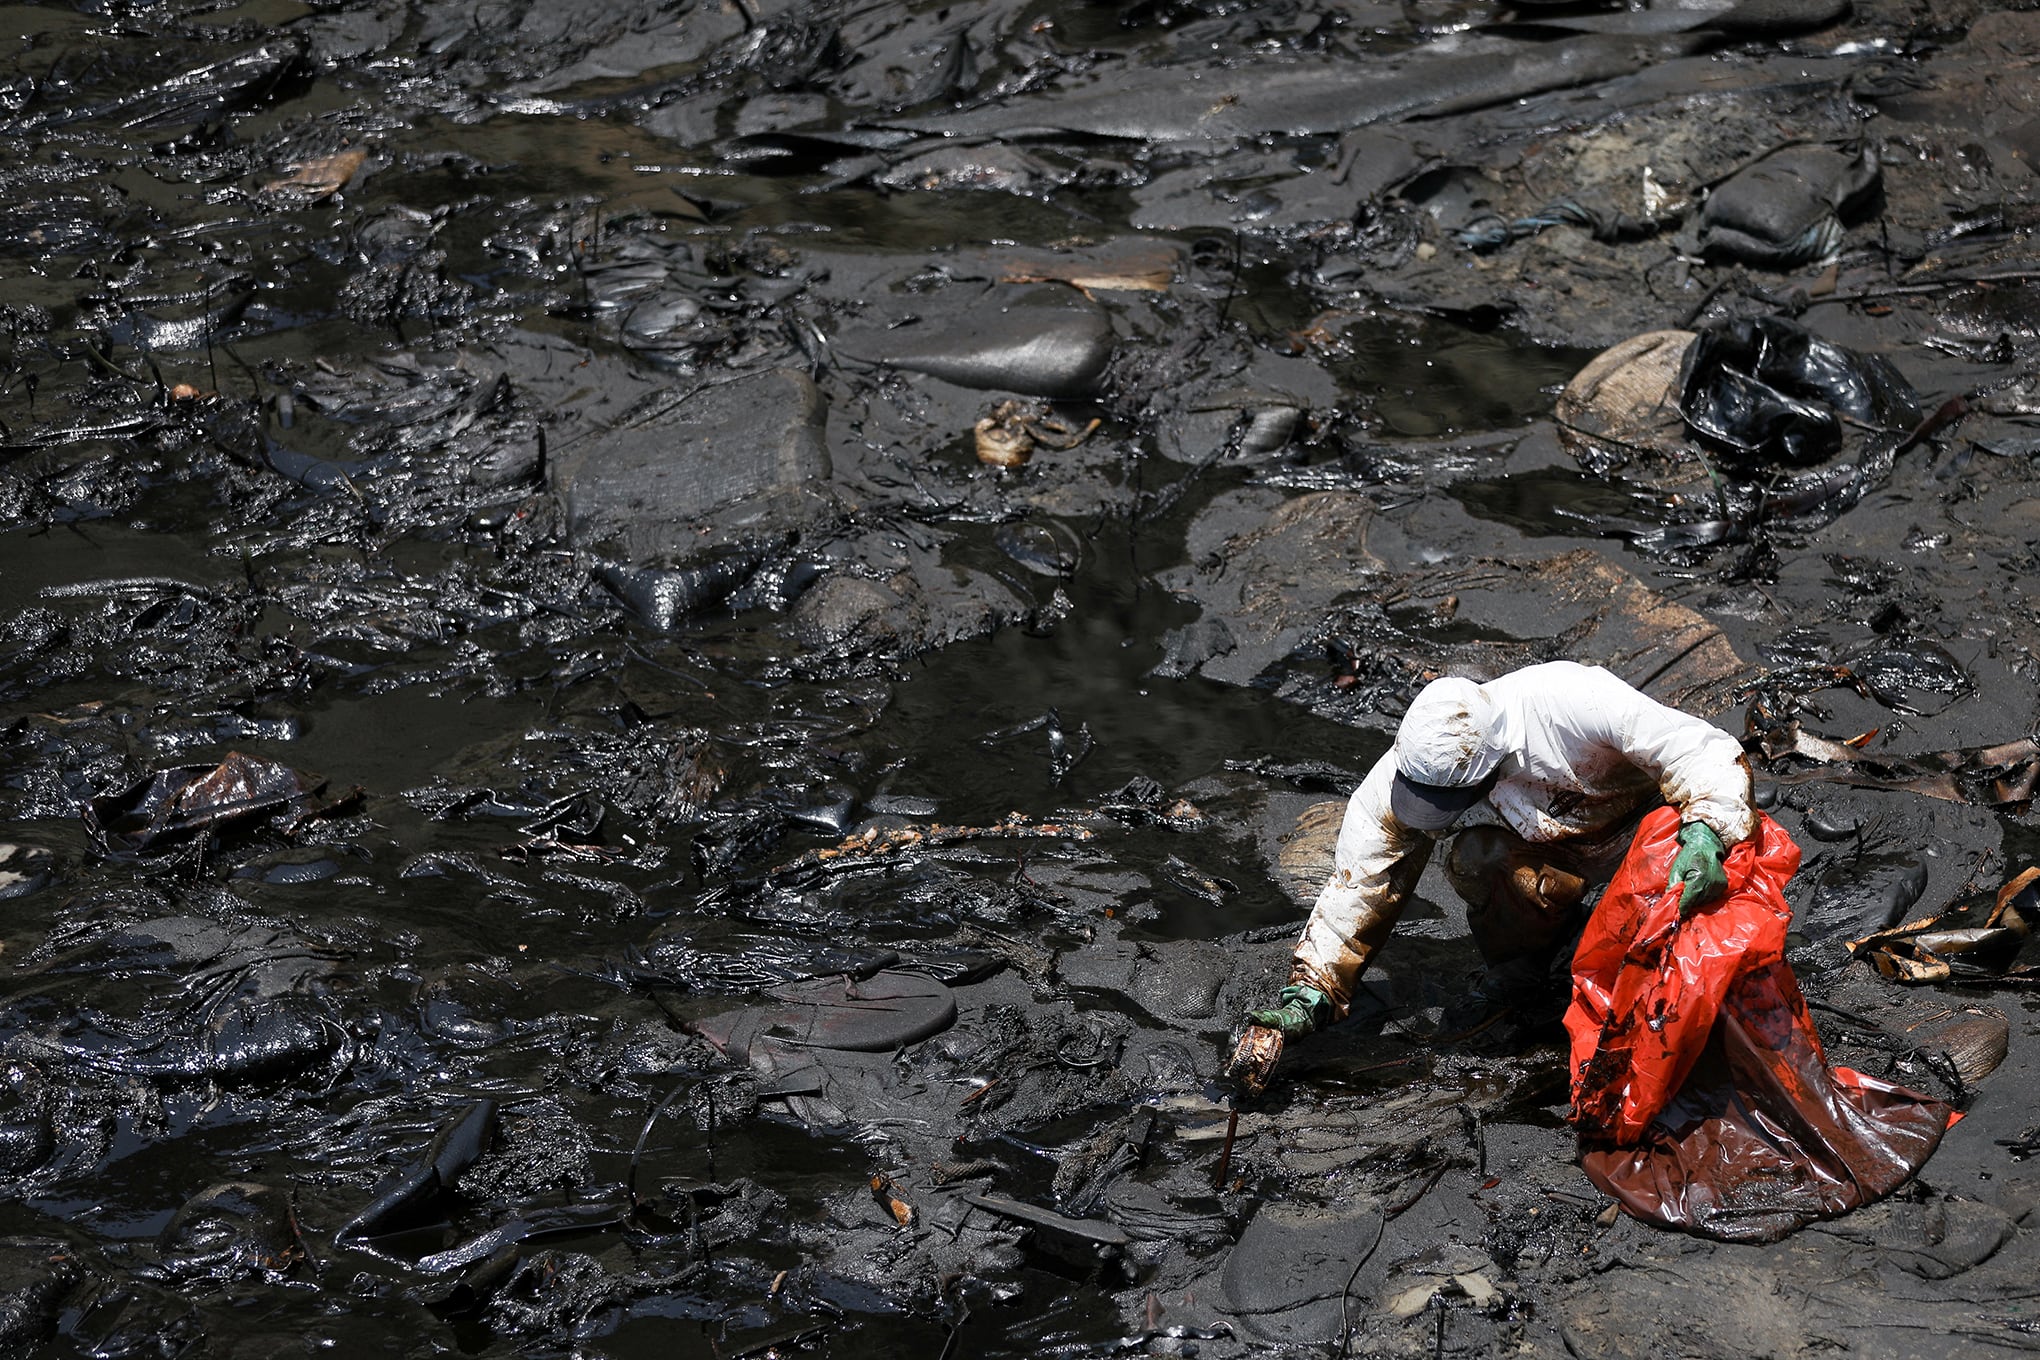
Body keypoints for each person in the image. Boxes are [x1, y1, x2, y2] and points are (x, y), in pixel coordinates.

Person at [1229, 660, 1755, 1086]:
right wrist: (1313, 989)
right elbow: (1361, 881)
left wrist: (1707, 829)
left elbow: (1699, 748)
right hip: (1557, 854)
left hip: (1647, 840)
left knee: (1665, 965)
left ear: (1490, 759)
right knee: (1474, 857)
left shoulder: (1575, 701)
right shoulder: (1408, 768)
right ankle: (1529, 967)